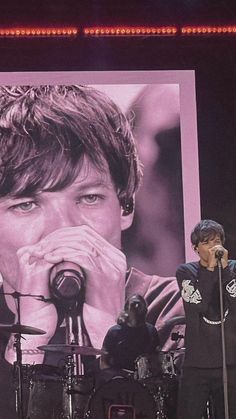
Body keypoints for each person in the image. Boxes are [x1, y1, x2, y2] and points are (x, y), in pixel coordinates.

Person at [0, 85, 184, 418]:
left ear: (126, 207)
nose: (63, 231)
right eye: (26, 204)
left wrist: (112, 340)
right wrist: (27, 346)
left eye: (88, 198)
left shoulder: (185, 311)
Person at [176, 219, 236, 419]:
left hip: (229, 363)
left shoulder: (233, 269)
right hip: (197, 365)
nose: (213, 247)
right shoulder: (186, 272)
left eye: (216, 241)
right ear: (195, 248)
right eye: (206, 243)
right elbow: (198, 305)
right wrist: (210, 270)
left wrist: (225, 271)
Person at [101, 294, 160, 373]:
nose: (136, 307)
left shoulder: (151, 331)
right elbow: (103, 363)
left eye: (139, 305)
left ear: (145, 310)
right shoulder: (114, 332)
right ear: (126, 309)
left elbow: (157, 358)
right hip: (120, 379)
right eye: (133, 304)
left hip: (144, 379)